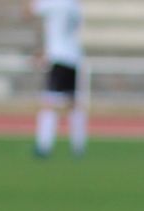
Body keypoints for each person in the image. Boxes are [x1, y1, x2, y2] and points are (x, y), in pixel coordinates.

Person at [28, 0, 85, 158]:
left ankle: (44, 146)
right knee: (73, 103)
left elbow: (29, 11)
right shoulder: (75, 5)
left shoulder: (53, 3)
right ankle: (78, 146)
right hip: (74, 56)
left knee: (49, 103)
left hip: (58, 57)